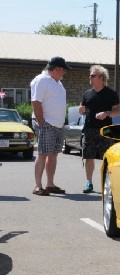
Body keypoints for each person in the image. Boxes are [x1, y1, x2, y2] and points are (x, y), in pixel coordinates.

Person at [30, 56, 69, 196]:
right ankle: (38, 186)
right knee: (43, 154)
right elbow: (36, 102)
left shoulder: (57, 82)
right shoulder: (41, 80)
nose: (64, 73)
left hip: (57, 125)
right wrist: (41, 123)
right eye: (64, 70)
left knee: (53, 155)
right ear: (57, 69)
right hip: (46, 123)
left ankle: (50, 184)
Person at [79, 65, 120, 193]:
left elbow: (117, 111)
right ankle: (89, 183)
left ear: (101, 78)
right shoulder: (87, 93)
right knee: (88, 156)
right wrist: (81, 110)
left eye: (92, 75)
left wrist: (106, 113)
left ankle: (107, 183)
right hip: (89, 129)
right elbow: (82, 108)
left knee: (107, 157)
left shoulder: (111, 94)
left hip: (106, 130)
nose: (90, 78)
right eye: (90, 75)